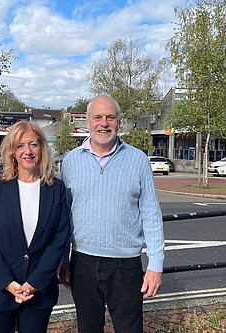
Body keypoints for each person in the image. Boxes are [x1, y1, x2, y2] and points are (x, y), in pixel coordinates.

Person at [59, 94, 165, 333]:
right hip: (82, 263)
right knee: (88, 328)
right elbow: (64, 215)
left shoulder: (138, 159)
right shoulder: (70, 161)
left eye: (110, 117)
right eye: (97, 117)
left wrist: (155, 264)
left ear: (119, 121)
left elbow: (150, 213)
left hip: (125, 265)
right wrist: (63, 259)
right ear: (87, 122)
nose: (103, 123)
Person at [0, 121, 71, 333]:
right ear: (12, 152)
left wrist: (33, 283)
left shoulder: (56, 189)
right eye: (20, 146)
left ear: (42, 148)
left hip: (38, 292)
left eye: (33, 144)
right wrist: (9, 283)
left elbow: (59, 240)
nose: (27, 151)